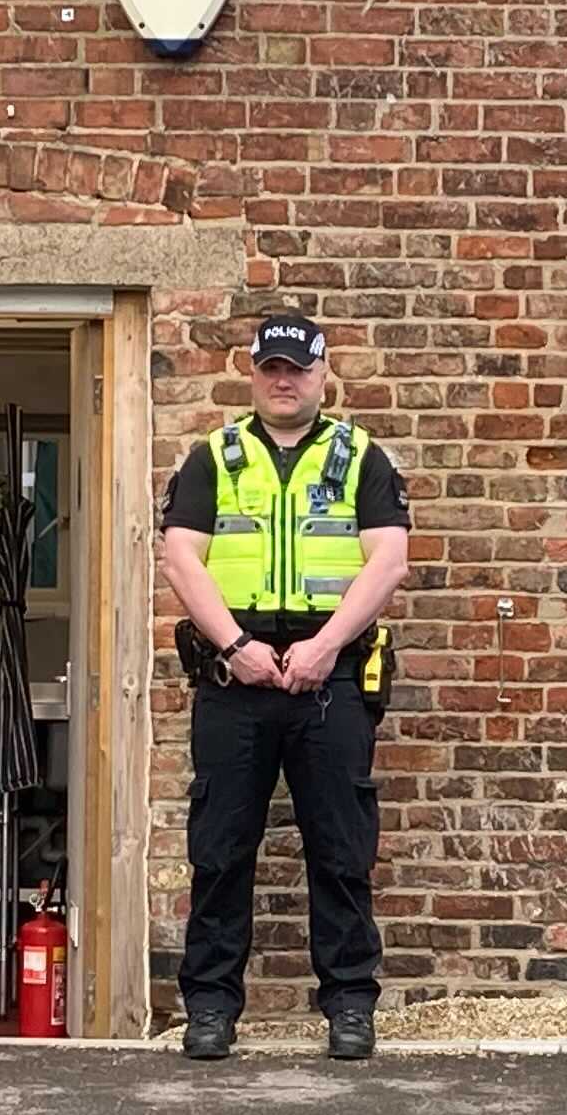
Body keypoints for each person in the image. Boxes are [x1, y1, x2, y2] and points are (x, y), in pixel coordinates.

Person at [157, 311, 412, 1061]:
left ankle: (350, 1006)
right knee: (220, 848)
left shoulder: (362, 457)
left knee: (340, 847)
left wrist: (326, 647)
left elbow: (387, 562)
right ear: (253, 372)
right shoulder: (216, 457)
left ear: (322, 374)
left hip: (326, 679)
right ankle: (209, 1007)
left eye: (296, 368)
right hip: (236, 680)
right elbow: (181, 560)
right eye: (271, 367)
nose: (283, 379)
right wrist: (233, 646)